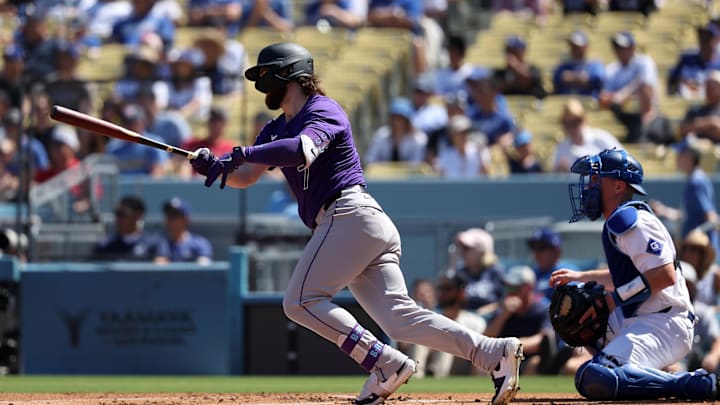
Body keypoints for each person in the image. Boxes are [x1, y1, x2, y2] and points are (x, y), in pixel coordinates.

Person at [189, 42, 523, 405]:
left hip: (349, 215)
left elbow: (300, 149)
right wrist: (217, 167)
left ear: (290, 74)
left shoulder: (323, 109)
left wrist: (239, 154)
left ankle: (382, 362)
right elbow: (248, 175)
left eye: (267, 74)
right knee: (399, 320)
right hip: (355, 225)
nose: (262, 83)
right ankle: (492, 352)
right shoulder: (274, 128)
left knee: (299, 301)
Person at [549, 148, 718, 400]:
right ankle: (634, 369)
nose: (589, 186)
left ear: (618, 186)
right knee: (581, 318)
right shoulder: (621, 220)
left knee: (594, 377)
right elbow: (632, 278)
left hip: (665, 322)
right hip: (645, 318)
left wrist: (613, 299)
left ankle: (692, 383)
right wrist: (582, 277)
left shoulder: (630, 220)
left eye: (596, 179)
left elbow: (664, 275)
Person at [410, 274, 488, 377]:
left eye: (447, 289)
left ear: (460, 292)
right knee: (420, 343)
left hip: (461, 367)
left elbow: (480, 355)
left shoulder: (475, 321)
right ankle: (415, 380)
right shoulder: (431, 316)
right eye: (440, 288)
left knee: (448, 340)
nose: (442, 293)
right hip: (431, 362)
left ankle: (438, 379)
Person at [650, 141, 719, 253]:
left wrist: (699, 234)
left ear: (689, 158)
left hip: (700, 252)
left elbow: (710, 217)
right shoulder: (695, 179)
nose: (677, 159)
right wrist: (665, 211)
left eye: (680, 155)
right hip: (696, 251)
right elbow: (688, 214)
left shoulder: (696, 181)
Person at [484, 265, 554, 375]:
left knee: (534, 363)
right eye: (507, 287)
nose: (510, 292)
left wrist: (509, 347)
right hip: (504, 360)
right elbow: (486, 340)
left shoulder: (543, 309)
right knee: (483, 364)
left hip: (530, 360)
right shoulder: (502, 310)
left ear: (529, 288)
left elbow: (544, 340)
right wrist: (504, 314)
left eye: (514, 287)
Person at [599, 32, 660, 143]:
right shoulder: (612, 69)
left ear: (632, 47)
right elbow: (605, 96)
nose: (620, 51)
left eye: (623, 47)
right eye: (617, 47)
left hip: (642, 112)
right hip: (621, 114)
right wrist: (619, 98)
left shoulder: (644, 61)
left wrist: (623, 95)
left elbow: (645, 85)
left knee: (644, 90)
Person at [552, 98, 622, 173]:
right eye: (567, 123)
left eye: (576, 121)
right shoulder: (562, 148)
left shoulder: (602, 138)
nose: (572, 127)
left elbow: (624, 163)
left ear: (584, 119)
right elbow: (554, 177)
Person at [450, 227, 505, 311]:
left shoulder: (495, 273)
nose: (462, 251)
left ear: (482, 251)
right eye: (461, 247)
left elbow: (506, 301)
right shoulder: (459, 274)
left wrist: (488, 309)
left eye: (466, 248)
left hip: (491, 322)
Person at [92, 195, 157, 261]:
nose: (117, 218)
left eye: (122, 214)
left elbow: (161, 264)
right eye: (117, 213)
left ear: (138, 215)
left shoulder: (153, 243)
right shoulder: (104, 245)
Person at [364, 97, 428, 165]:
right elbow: (369, 160)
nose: (396, 122)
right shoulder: (381, 135)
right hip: (382, 175)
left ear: (407, 121)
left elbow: (417, 165)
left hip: (409, 175)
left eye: (400, 119)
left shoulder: (418, 139)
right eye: (394, 118)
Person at [667, 22, 720, 101]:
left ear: (716, 40)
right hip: (688, 105)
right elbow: (673, 85)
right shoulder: (686, 60)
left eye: (707, 38)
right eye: (701, 38)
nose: (703, 42)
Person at [154, 197, 213, 264]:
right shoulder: (158, 242)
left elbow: (203, 268)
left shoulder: (200, 243)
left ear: (186, 220)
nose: (170, 219)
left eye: (175, 215)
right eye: (168, 215)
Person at [552, 30, 605, 98]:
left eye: (577, 46)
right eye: (572, 45)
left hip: (589, 104)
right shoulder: (563, 66)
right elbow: (557, 78)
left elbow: (597, 80)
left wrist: (570, 77)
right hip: (564, 102)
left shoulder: (595, 65)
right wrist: (580, 78)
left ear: (586, 46)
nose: (574, 48)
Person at [679, 70, 720, 142]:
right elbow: (682, 131)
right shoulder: (695, 110)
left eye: (714, 86)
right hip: (696, 148)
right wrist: (709, 123)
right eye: (708, 86)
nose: (710, 90)